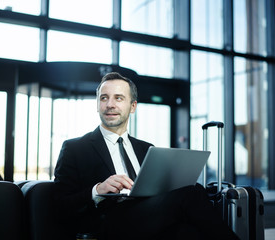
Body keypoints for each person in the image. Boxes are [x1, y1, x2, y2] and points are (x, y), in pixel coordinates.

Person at [54, 72, 238, 240]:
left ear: (132, 106)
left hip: (151, 220)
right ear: (97, 104)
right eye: (104, 98)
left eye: (118, 98)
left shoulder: (146, 149)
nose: (110, 104)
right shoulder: (75, 148)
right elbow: (59, 206)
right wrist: (97, 190)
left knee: (189, 229)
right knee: (191, 193)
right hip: (109, 226)